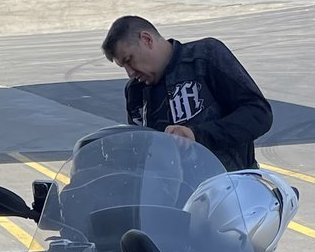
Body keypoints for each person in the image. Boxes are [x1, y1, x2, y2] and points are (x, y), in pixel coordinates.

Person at [102, 15, 273, 172]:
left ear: (147, 39)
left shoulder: (204, 58)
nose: (130, 73)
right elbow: (141, 152)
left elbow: (259, 114)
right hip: (169, 194)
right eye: (123, 66)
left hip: (229, 185)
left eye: (129, 60)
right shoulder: (135, 91)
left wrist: (196, 135)